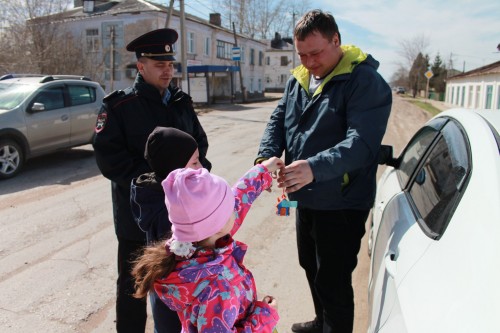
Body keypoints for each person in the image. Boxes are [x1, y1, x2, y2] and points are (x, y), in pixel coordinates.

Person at [255, 9, 392, 333]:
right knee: (310, 266)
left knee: (333, 278)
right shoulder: (299, 78)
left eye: (315, 53)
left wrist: (315, 167)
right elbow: (278, 119)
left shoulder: (364, 82)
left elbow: (361, 143)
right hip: (305, 196)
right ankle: (321, 323)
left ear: (336, 41)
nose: (309, 62)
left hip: (342, 201)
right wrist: (266, 155)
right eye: (302, 54)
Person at [92, 28, 211, 333]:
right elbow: (110, 159)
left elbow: (200, 145)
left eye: (170, 64)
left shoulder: (181, 102)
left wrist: (197, 183)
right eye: (160, 65)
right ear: (141, 66)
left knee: (182, 285)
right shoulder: (119, 106)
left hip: (184, 219)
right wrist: (159, 186)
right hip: (138, 218)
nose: (168, 70)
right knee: (135, 285)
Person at [131, 157, 284, 333]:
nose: (235, 208)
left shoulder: (188, 244)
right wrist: (264, 317)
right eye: (229, 208)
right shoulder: (217, 288)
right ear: (219, 224)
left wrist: (263, 170)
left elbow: (239, 199)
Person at [130, 126, 202, 332]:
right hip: (177, 298)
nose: (201, 168)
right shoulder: (169, 210)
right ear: (174, 170)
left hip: (169, 295)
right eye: (195, 162)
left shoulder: (162, 195)